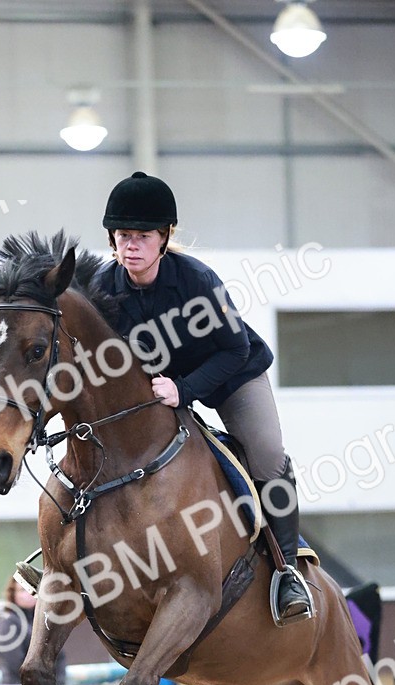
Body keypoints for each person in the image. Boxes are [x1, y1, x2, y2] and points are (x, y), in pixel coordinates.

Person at [94, 170, 313, 624]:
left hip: (231, 374)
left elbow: (233, 349)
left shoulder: (195, 280)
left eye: (142, 235)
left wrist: (185, 390)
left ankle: (289, 570)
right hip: (163, 389)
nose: (130, 245)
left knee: (268, 456)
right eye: (122, 235)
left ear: (164, 237)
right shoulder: (103, 287)